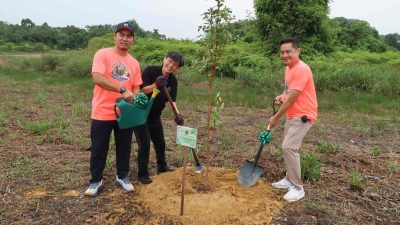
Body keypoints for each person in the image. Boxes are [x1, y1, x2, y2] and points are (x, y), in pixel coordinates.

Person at [84, 22, 143, 196]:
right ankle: (96, 181)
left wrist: (137, 96)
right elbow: (97, 78)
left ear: (133, 40)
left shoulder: (134, 63)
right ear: (115, 36)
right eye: (121, 35)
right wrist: (122, 89)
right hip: (103, 111)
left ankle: (122, 176)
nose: (125, 38)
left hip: (125, 114)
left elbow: (137, 86)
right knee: (99, 147)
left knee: (124, 147)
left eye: (129, 36)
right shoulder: (103, 54)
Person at [268, 38, 318, 202]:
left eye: (288, 51)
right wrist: (281, 96)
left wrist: (275, 118)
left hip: (303, 115)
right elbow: (288, 93)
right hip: (292, 114)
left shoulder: (302, 69)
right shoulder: (289, 69)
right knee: (288, 146)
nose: (284, 55)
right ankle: (289, 179)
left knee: (289, 147)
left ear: (297, 51)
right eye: (282, 52)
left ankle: (298, 187)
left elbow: (292, 99)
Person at [133, 51, 185, 184]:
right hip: (140, 115)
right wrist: (156, 85)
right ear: (164, 59)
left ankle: (162, 166)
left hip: (155, 116)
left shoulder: (172, 80)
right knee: (144, 144)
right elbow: (141, 90)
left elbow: (172, 100)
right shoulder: (150, 71)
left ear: (177, 68)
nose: (171, 65)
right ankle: (142, 174)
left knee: (160, 143)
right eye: (170, 61)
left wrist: (177, 115)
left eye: (175, 64)